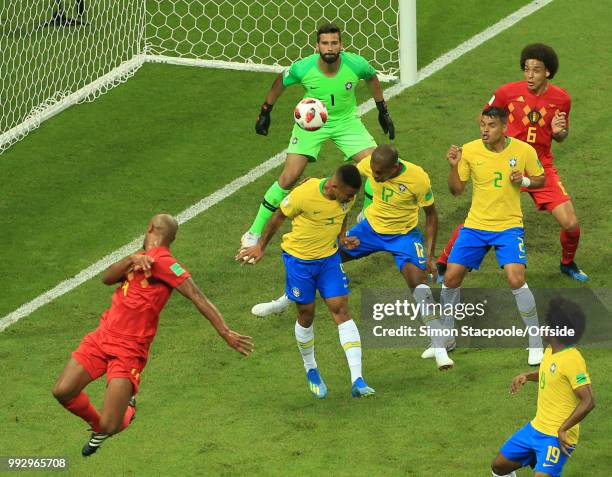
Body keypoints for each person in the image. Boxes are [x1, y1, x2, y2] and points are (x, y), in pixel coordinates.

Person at [52, 214, 253, 456]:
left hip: (129, 351)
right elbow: (106, 279)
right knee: (62, 391)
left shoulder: (167, 264)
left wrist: (225, 332)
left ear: (149, 228)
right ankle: (98, 428)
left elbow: (197, 296)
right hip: (102, 336)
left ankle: (126, 411)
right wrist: (131, 259)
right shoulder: (136, 258)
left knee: (111, 425)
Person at [251, 145, 453, 370]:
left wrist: (430, 252)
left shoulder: (418, 178)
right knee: (321, 255)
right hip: (369, 230)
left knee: (418, 283)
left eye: (379, 173)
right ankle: (286, 300)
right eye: (373, 171)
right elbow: (342, 181)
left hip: (403, 236)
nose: (374, 176)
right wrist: (312, 184)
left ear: (394, 168)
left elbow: (431, 214)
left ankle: (440, 350)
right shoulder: (369, 165)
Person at [437, 43, 587, 283]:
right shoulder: (507, 92)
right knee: (480, 220)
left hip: (539, 166)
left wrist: (560, 133)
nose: (529, 75)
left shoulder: (562, 99)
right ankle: (444, 263)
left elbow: (560, 135)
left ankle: (567, 263)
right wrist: (492, 144)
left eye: (536, 70)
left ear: (547, 72)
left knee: (571, 224)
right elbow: (484, 117)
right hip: (505, 164)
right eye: (526, 69)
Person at [241, 22, 395, 251]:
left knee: (375, 167)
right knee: (289, 177)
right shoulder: (304, 68)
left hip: (346, 122)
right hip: (312, 123)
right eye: (325, 43)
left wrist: (383, 110)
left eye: (334, 43)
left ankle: (368, 215)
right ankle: (254, 231)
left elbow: (372, 78)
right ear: (317, 46)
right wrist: (265, 111)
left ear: (341, 45)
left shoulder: (355, 64)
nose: (330, 48)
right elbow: (280, 83)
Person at [237, 164, 375, 398]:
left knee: (340, 309)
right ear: (333, 186)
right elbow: (279, 217)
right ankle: (311, 369)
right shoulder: (303, 194)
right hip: (299, 261)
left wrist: (342, 237)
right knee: (306, 314)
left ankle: (358, 380)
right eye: (349, 195)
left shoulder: (346, 197)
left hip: (329, 259)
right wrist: (259, 246)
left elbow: (343, 214)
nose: (352, 199)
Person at [439, 107, 546, 366]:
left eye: (491, 126)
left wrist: (525, 182)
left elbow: (542, 178)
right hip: (476, 226)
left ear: (504, 128)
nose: (485, 130)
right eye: (483, 125)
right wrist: (454, 167)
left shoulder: (523, 151)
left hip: (508, 226)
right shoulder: (470, 150)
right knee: (451, 277)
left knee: (515, 278)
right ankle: (447, 335)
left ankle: (535, 340)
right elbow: (456, 190)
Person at [491, 297, 595, 477]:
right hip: (536, 428)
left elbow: (589, 401)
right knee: (499, 467)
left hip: (555, 438)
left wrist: (563, 429)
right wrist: (527, 376)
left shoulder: (572, 359)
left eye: (546, 323)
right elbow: (549, 373)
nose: (542, 326)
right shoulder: (551, 350)